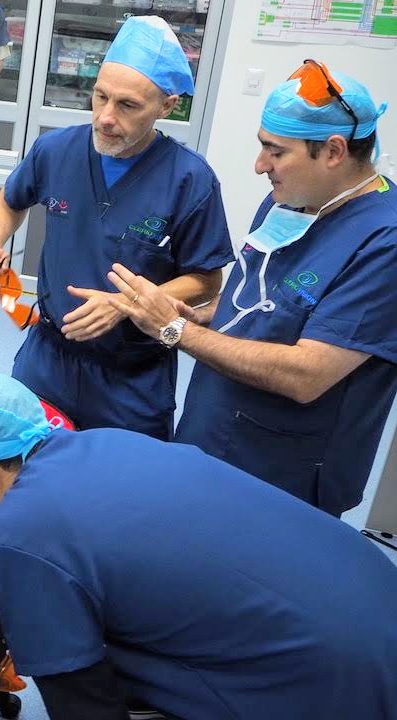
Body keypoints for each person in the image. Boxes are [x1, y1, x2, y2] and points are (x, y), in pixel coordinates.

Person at [0, 371, 397, 720]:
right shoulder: (107, 442)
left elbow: (81, 701)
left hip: (328, 683)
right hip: (374, 594)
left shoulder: (19, 535)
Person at [104, 62, 395, 518]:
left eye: (275, 151)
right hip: (214, 433)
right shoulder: (293, 200)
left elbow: (307, 375)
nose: (260, 166)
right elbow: (272, 296)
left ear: (334, 151)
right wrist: (208, 313)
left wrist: (174, 329)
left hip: (283, 474)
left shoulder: (384, 244)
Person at [0, 16, 233, 440]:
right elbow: (10, 199)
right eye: (100, 97)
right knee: (27, 471)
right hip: (47, 357)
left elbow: (206, 279)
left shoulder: (190, 179)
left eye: (127, 105)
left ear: (167, 106)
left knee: (122, 491)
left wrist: (127, 303)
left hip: (131, 374)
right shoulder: (55, 150)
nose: (105, 117)